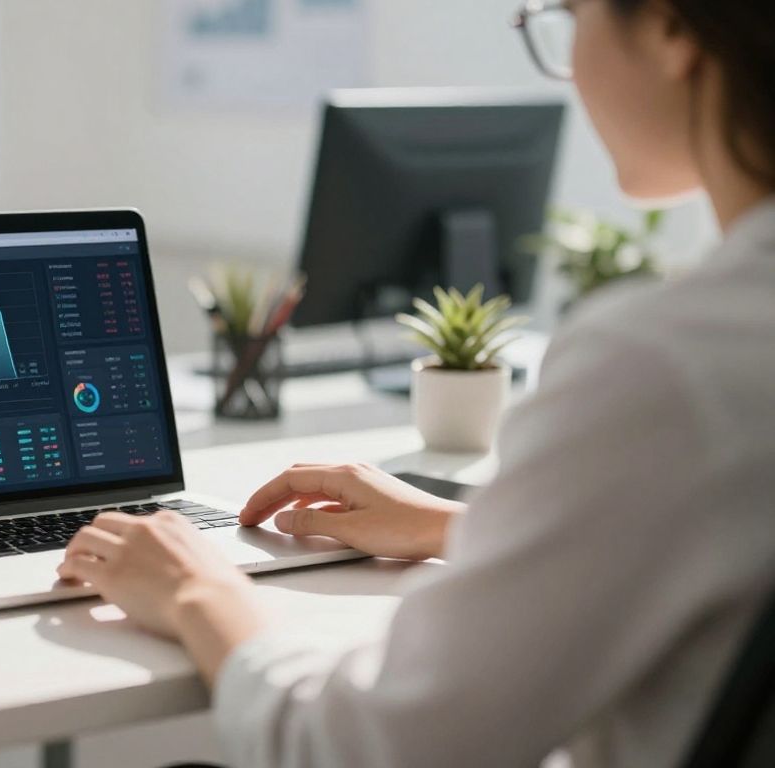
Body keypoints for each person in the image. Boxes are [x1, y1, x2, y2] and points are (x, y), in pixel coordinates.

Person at [56, 0, 775, 765]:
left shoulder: (663, 365)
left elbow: (363, 749)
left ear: (668, 27)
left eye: (570, 15)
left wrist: (198, 591)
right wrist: (463, 529)